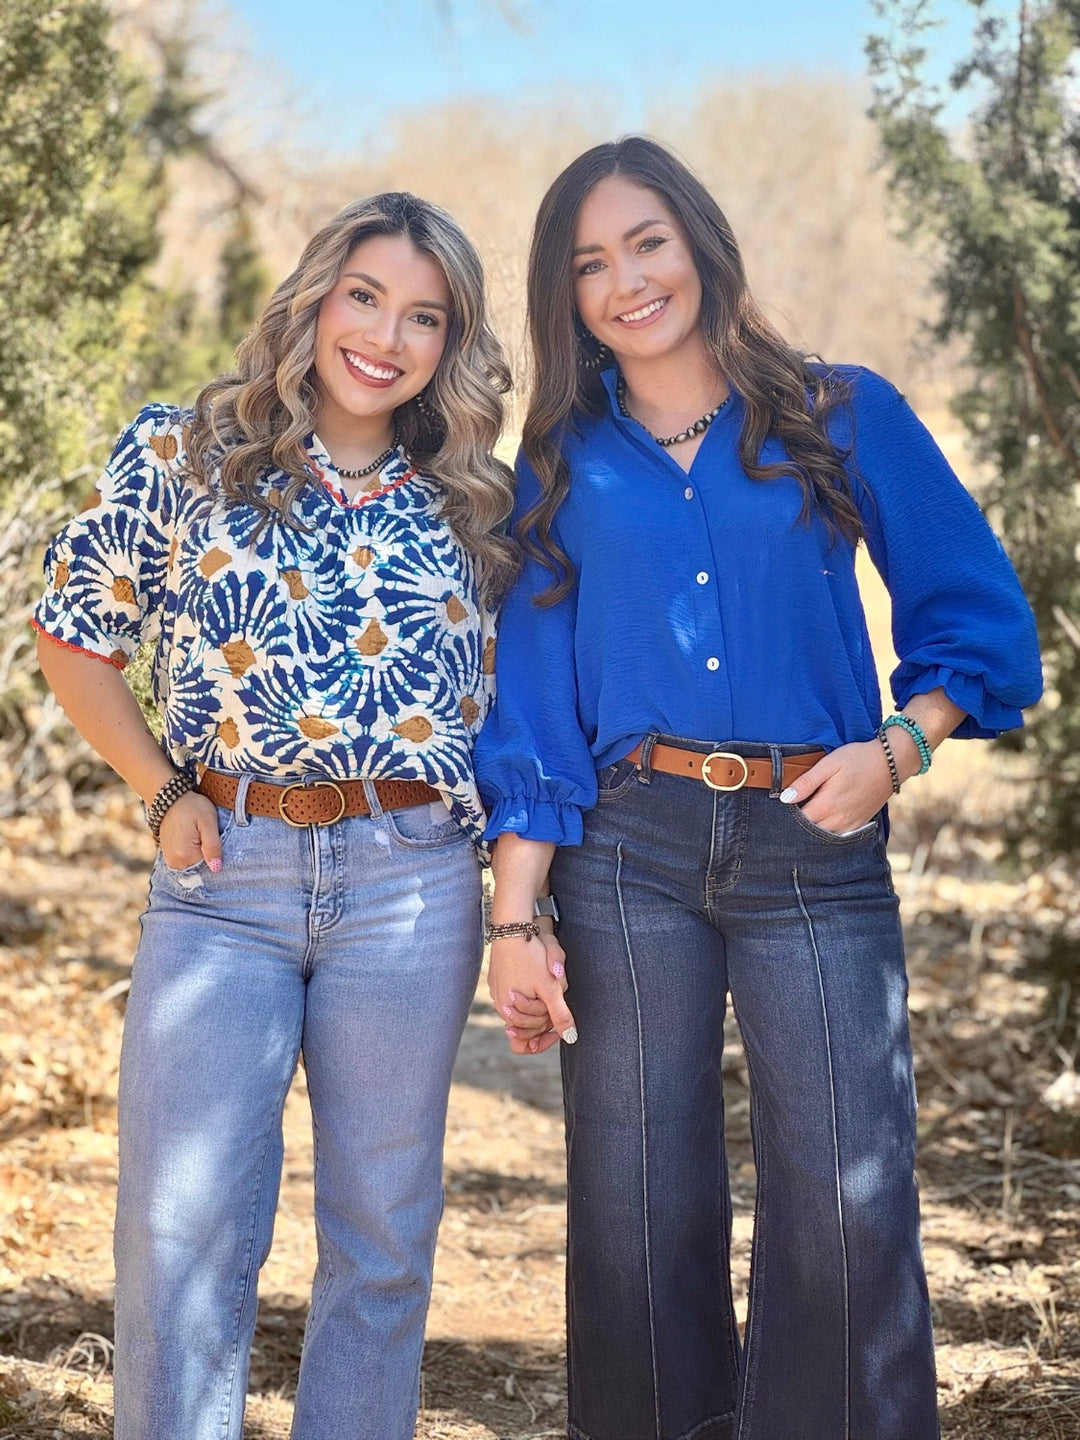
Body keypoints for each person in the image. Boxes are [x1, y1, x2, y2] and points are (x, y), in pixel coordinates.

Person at [473, 137, 1042, 1440]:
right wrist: (517, 922)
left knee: (848, 1198)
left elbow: (978, 616)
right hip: (626, 850)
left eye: (647, 243)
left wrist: (902, 745)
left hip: (814, 843)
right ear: (566, 299)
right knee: (635, 1199)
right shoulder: (559, 464)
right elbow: (533, 706)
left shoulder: (839, 412)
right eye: (589, 264)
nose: (626, 281)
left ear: (702, 243)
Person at [33, 192, 515, 1440]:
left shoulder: (479, 502)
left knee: (385, 1238)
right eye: (365, 296)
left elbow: (524, 719)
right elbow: (75, 633)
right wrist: (163, 790)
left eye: (424, 316)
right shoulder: (186, 450)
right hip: (223, 879)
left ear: (447, 345)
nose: (386, 337)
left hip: (412, 885)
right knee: (178, 1232)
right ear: (315, 298)